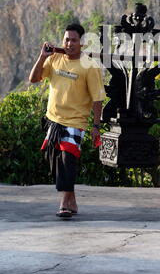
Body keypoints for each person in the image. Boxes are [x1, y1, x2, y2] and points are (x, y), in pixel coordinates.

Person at [29, 23, 106, 218]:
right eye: (66, 39)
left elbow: (97, 98)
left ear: (82, 44)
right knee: (53, 159)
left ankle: (64, 203)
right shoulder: (54, 58)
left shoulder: (89, 65)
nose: (69, 43)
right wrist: (42, 57)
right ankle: (72, 200)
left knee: (67, 160)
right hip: (52, 119)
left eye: (74, 40)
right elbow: (33, 79)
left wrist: (96, 126)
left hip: (75, 122)